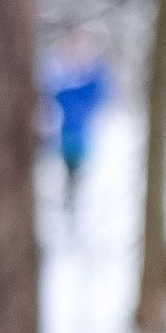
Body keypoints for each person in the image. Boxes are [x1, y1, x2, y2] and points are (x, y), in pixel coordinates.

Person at [40, 35, 112, 223]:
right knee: (65, 174)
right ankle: (67, 211)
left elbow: (101, 94)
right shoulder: (60, 73)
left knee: (76, 175)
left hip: (81, 134)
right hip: (62, 133)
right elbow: (51, 95)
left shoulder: (90, 75)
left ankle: (73, 212)